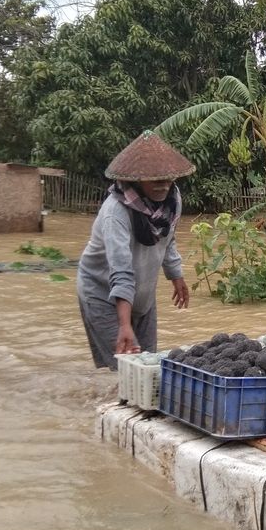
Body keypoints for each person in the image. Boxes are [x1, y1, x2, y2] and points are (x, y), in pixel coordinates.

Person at [77, 130, 193, 370]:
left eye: (168, 179)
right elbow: (121, 270)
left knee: (149, 364)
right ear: (136, 181)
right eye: (155, 180)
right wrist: (123, 324)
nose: (163, 186)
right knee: (125, 367)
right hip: (102, 293)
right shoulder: (115, 213)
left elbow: (168, 239)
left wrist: (176, 276)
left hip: (142, 294)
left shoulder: (172, 200)